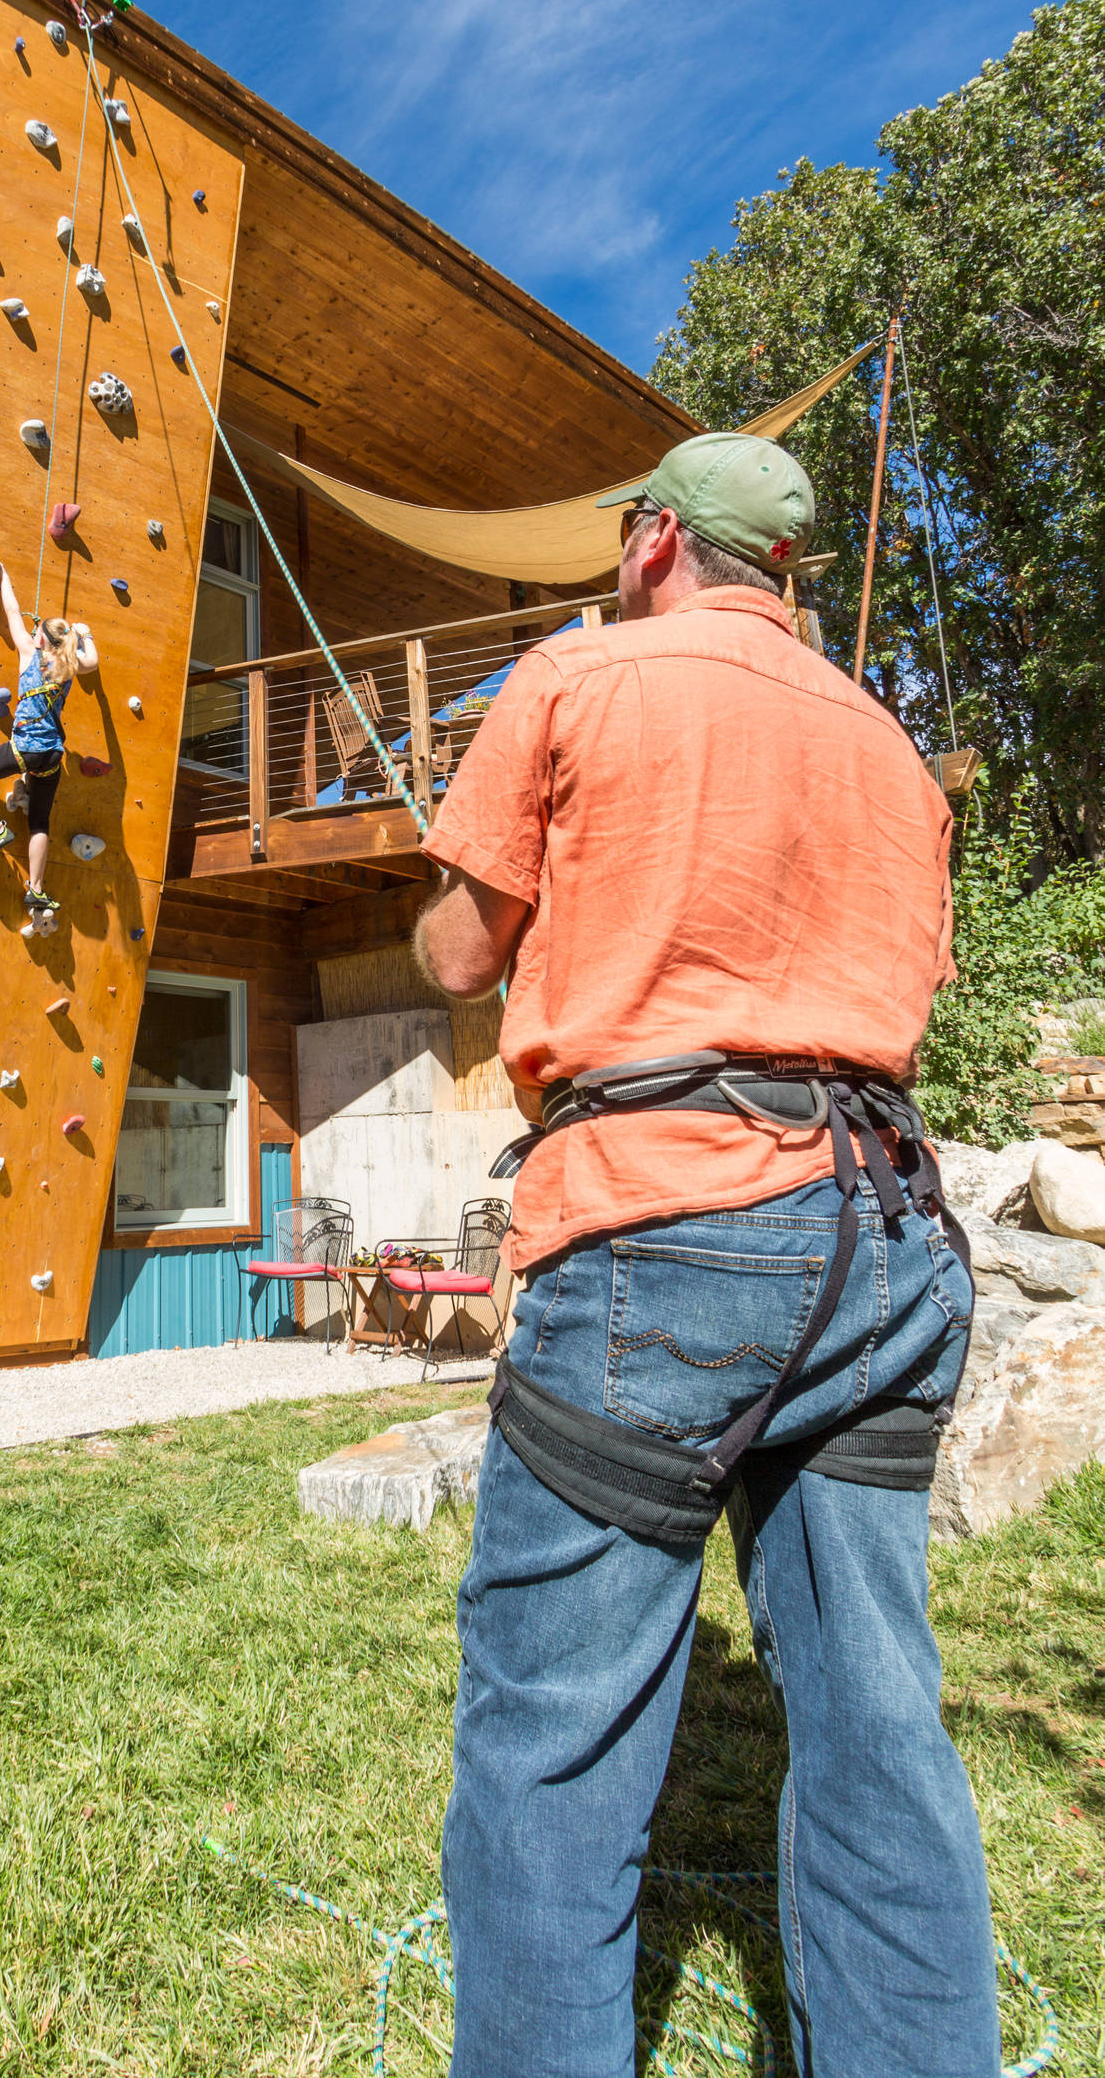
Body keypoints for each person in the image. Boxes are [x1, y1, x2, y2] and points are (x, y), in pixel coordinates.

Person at [413, 432, 998, 2078]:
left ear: (655, 542)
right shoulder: (889, 746)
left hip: (666, 1223)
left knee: (551, 1737)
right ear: (779, 569)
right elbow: (896, 986)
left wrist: (452, 887)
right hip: (885, 1235)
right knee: (878, 1718)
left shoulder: (573, 676)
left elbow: (455, 955)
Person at [0, 548, 98, 923]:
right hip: (51, 758)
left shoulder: (30, 654)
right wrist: (84, 635)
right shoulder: (70, 665)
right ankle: (36, 889)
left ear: (41, 639)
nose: (32, 634)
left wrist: (4, 573)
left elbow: (12, 610)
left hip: (26, 750)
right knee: (40, 822)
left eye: (37, 632)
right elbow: (92, 661)